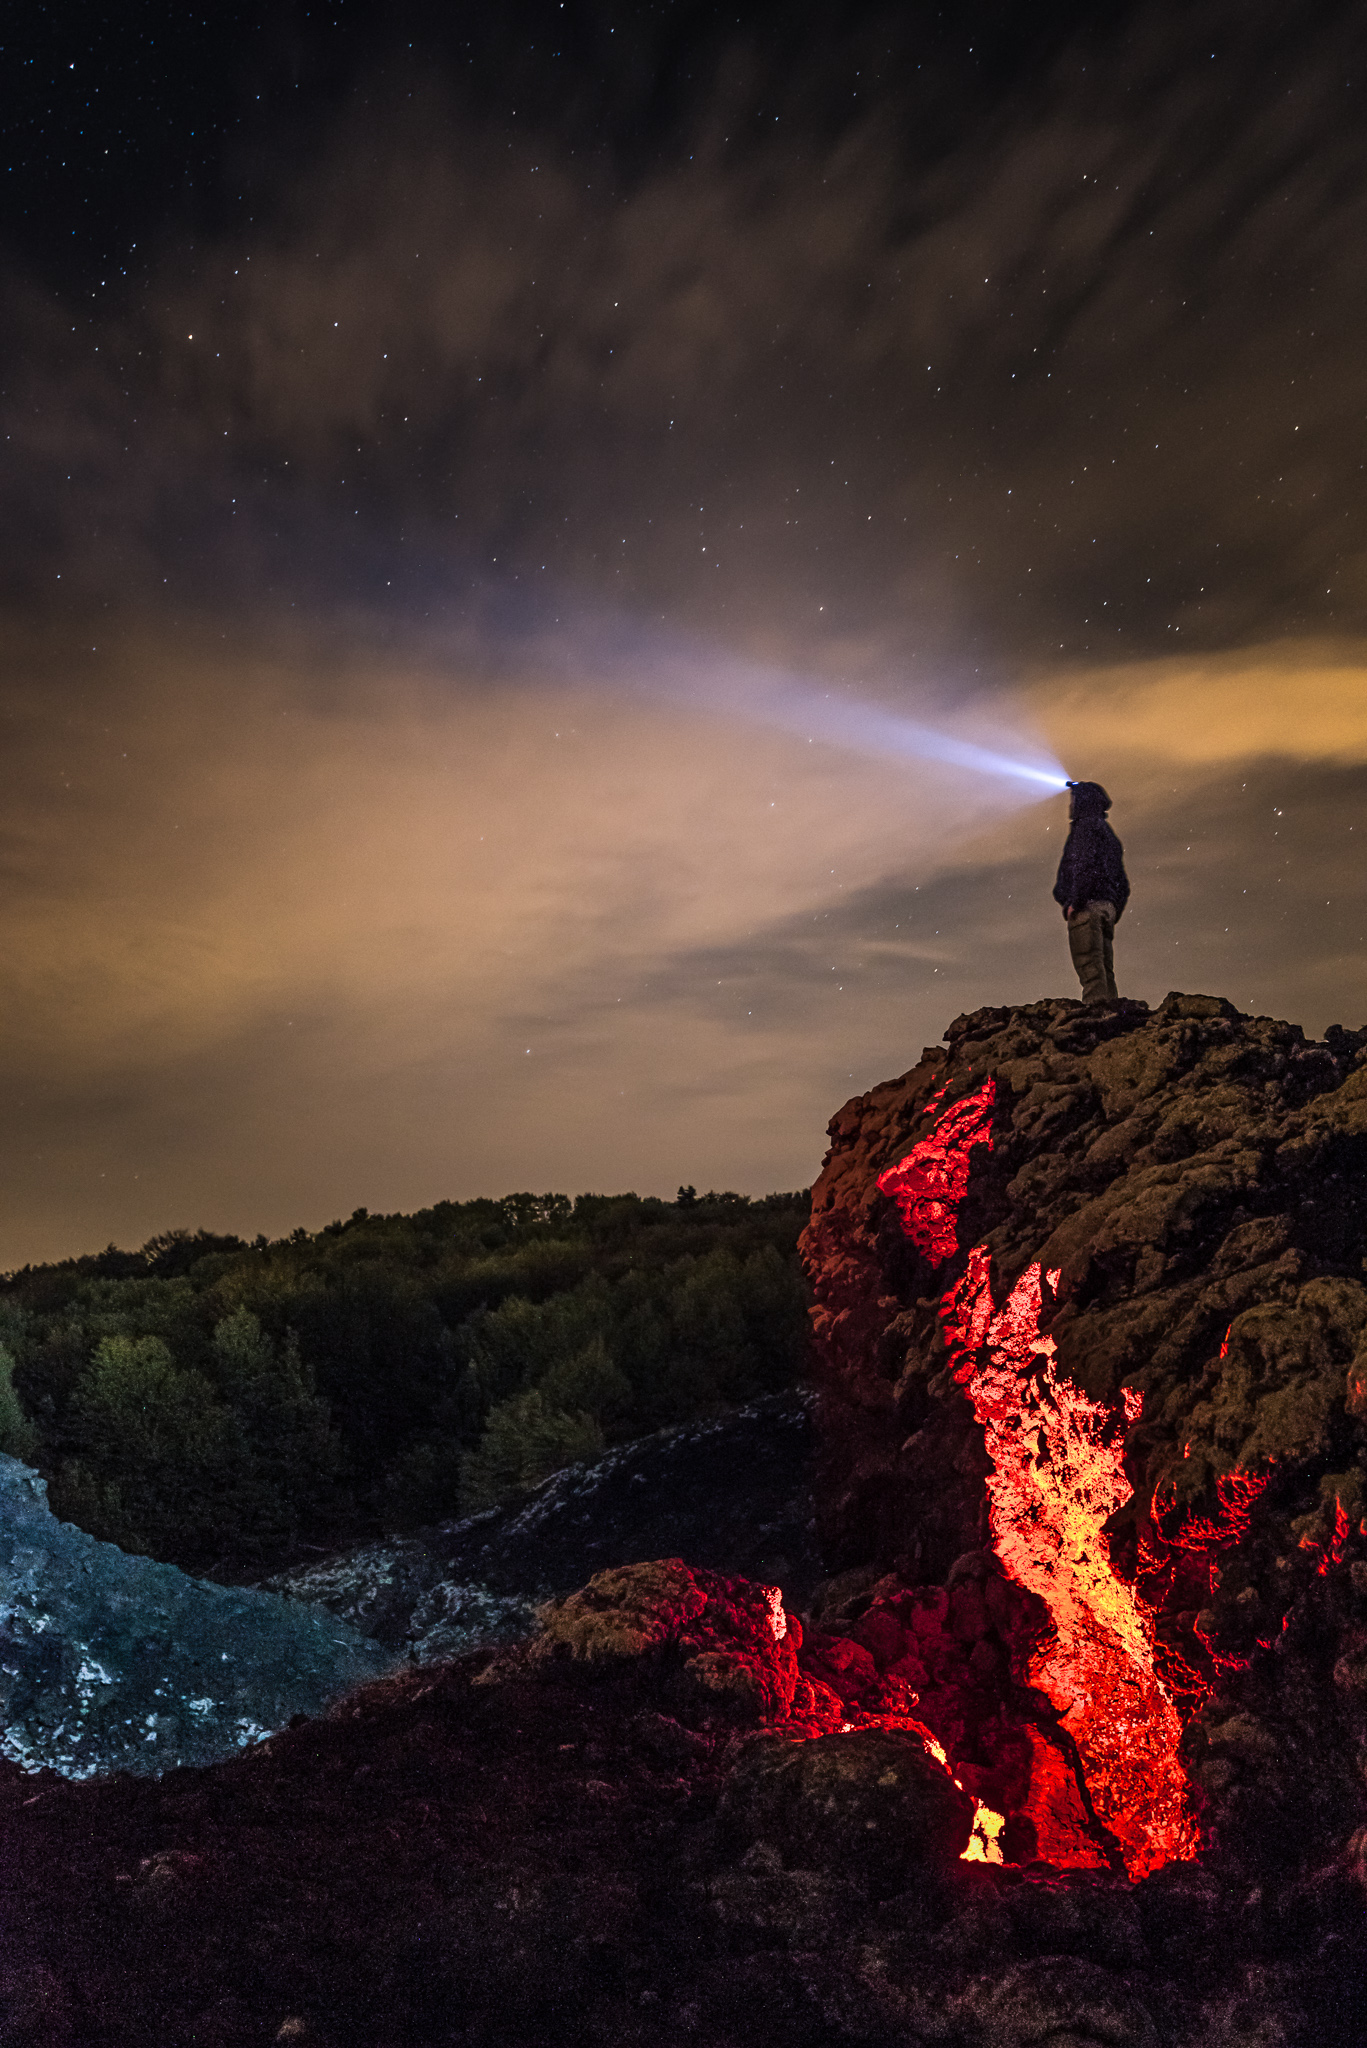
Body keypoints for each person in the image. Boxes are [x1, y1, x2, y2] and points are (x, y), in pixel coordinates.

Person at [1053, 780, 1129, 1003]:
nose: (1071, 804)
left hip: (1087, 907)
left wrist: (1075, 901)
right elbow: (1123, 883)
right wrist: (1114, 908)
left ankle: (1097, 1018)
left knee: (1090, 968)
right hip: (1106, 908)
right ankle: (1111, 1017)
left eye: (1074, 799)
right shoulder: (1108, 835)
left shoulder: (1084, 829)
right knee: (1104, 969)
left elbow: (1084, 866)